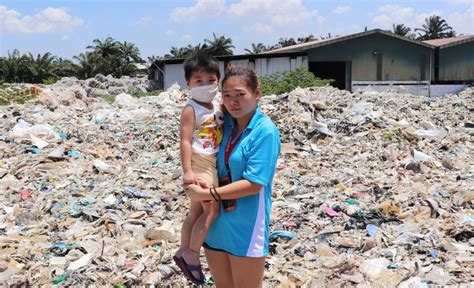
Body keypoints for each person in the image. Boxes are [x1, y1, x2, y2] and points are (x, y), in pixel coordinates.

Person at [184, 66, 281, 287]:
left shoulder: (264, 131)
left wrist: (208, 193)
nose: (233, 102)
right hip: (215, 224)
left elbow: (254, 184)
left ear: (257, 94)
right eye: (227, 95)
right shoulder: (224, 123)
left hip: (245, 227)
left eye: (240, 95)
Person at [173, 54, 223, 285]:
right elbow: (184, 140)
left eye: (210, 79)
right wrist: (187, 171)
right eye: (199, 80)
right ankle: (192, 255)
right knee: (212, 209)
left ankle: (183, 250)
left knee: (195, 212)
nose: (205, 85)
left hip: (211, 160)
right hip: (200, 162)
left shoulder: (216, 104)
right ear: (189, 83)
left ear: (218, 80)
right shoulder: (190, 109)